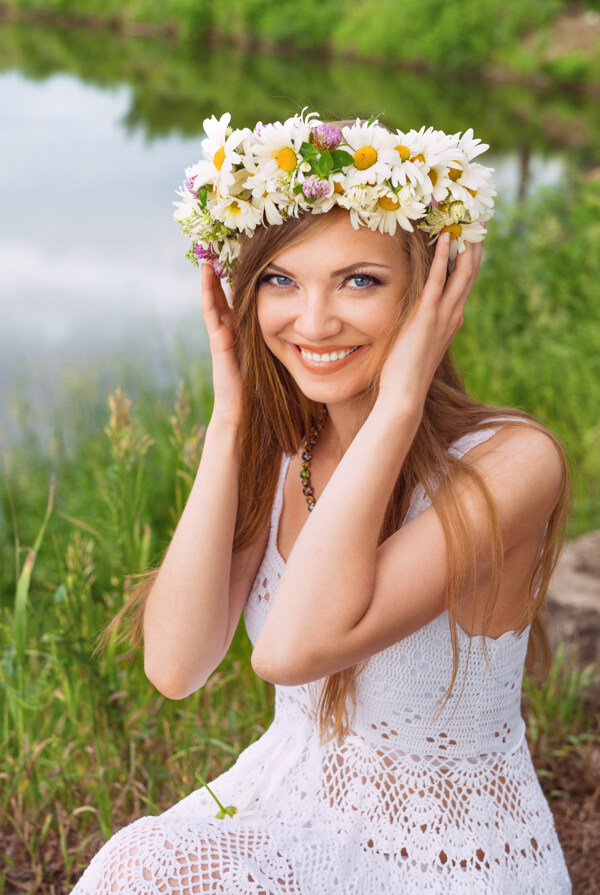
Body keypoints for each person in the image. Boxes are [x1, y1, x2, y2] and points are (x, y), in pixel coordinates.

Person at [72, 111, 572, 893]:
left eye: (360, 280)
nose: (312, 321)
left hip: (443, 856)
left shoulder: (512, 463)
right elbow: (175, 665)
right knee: (137, 865)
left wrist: (403, 398)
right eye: (280, 280)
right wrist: (231, 422)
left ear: (434, 287)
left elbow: (290, 649)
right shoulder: (282, 452)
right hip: (283, 800)